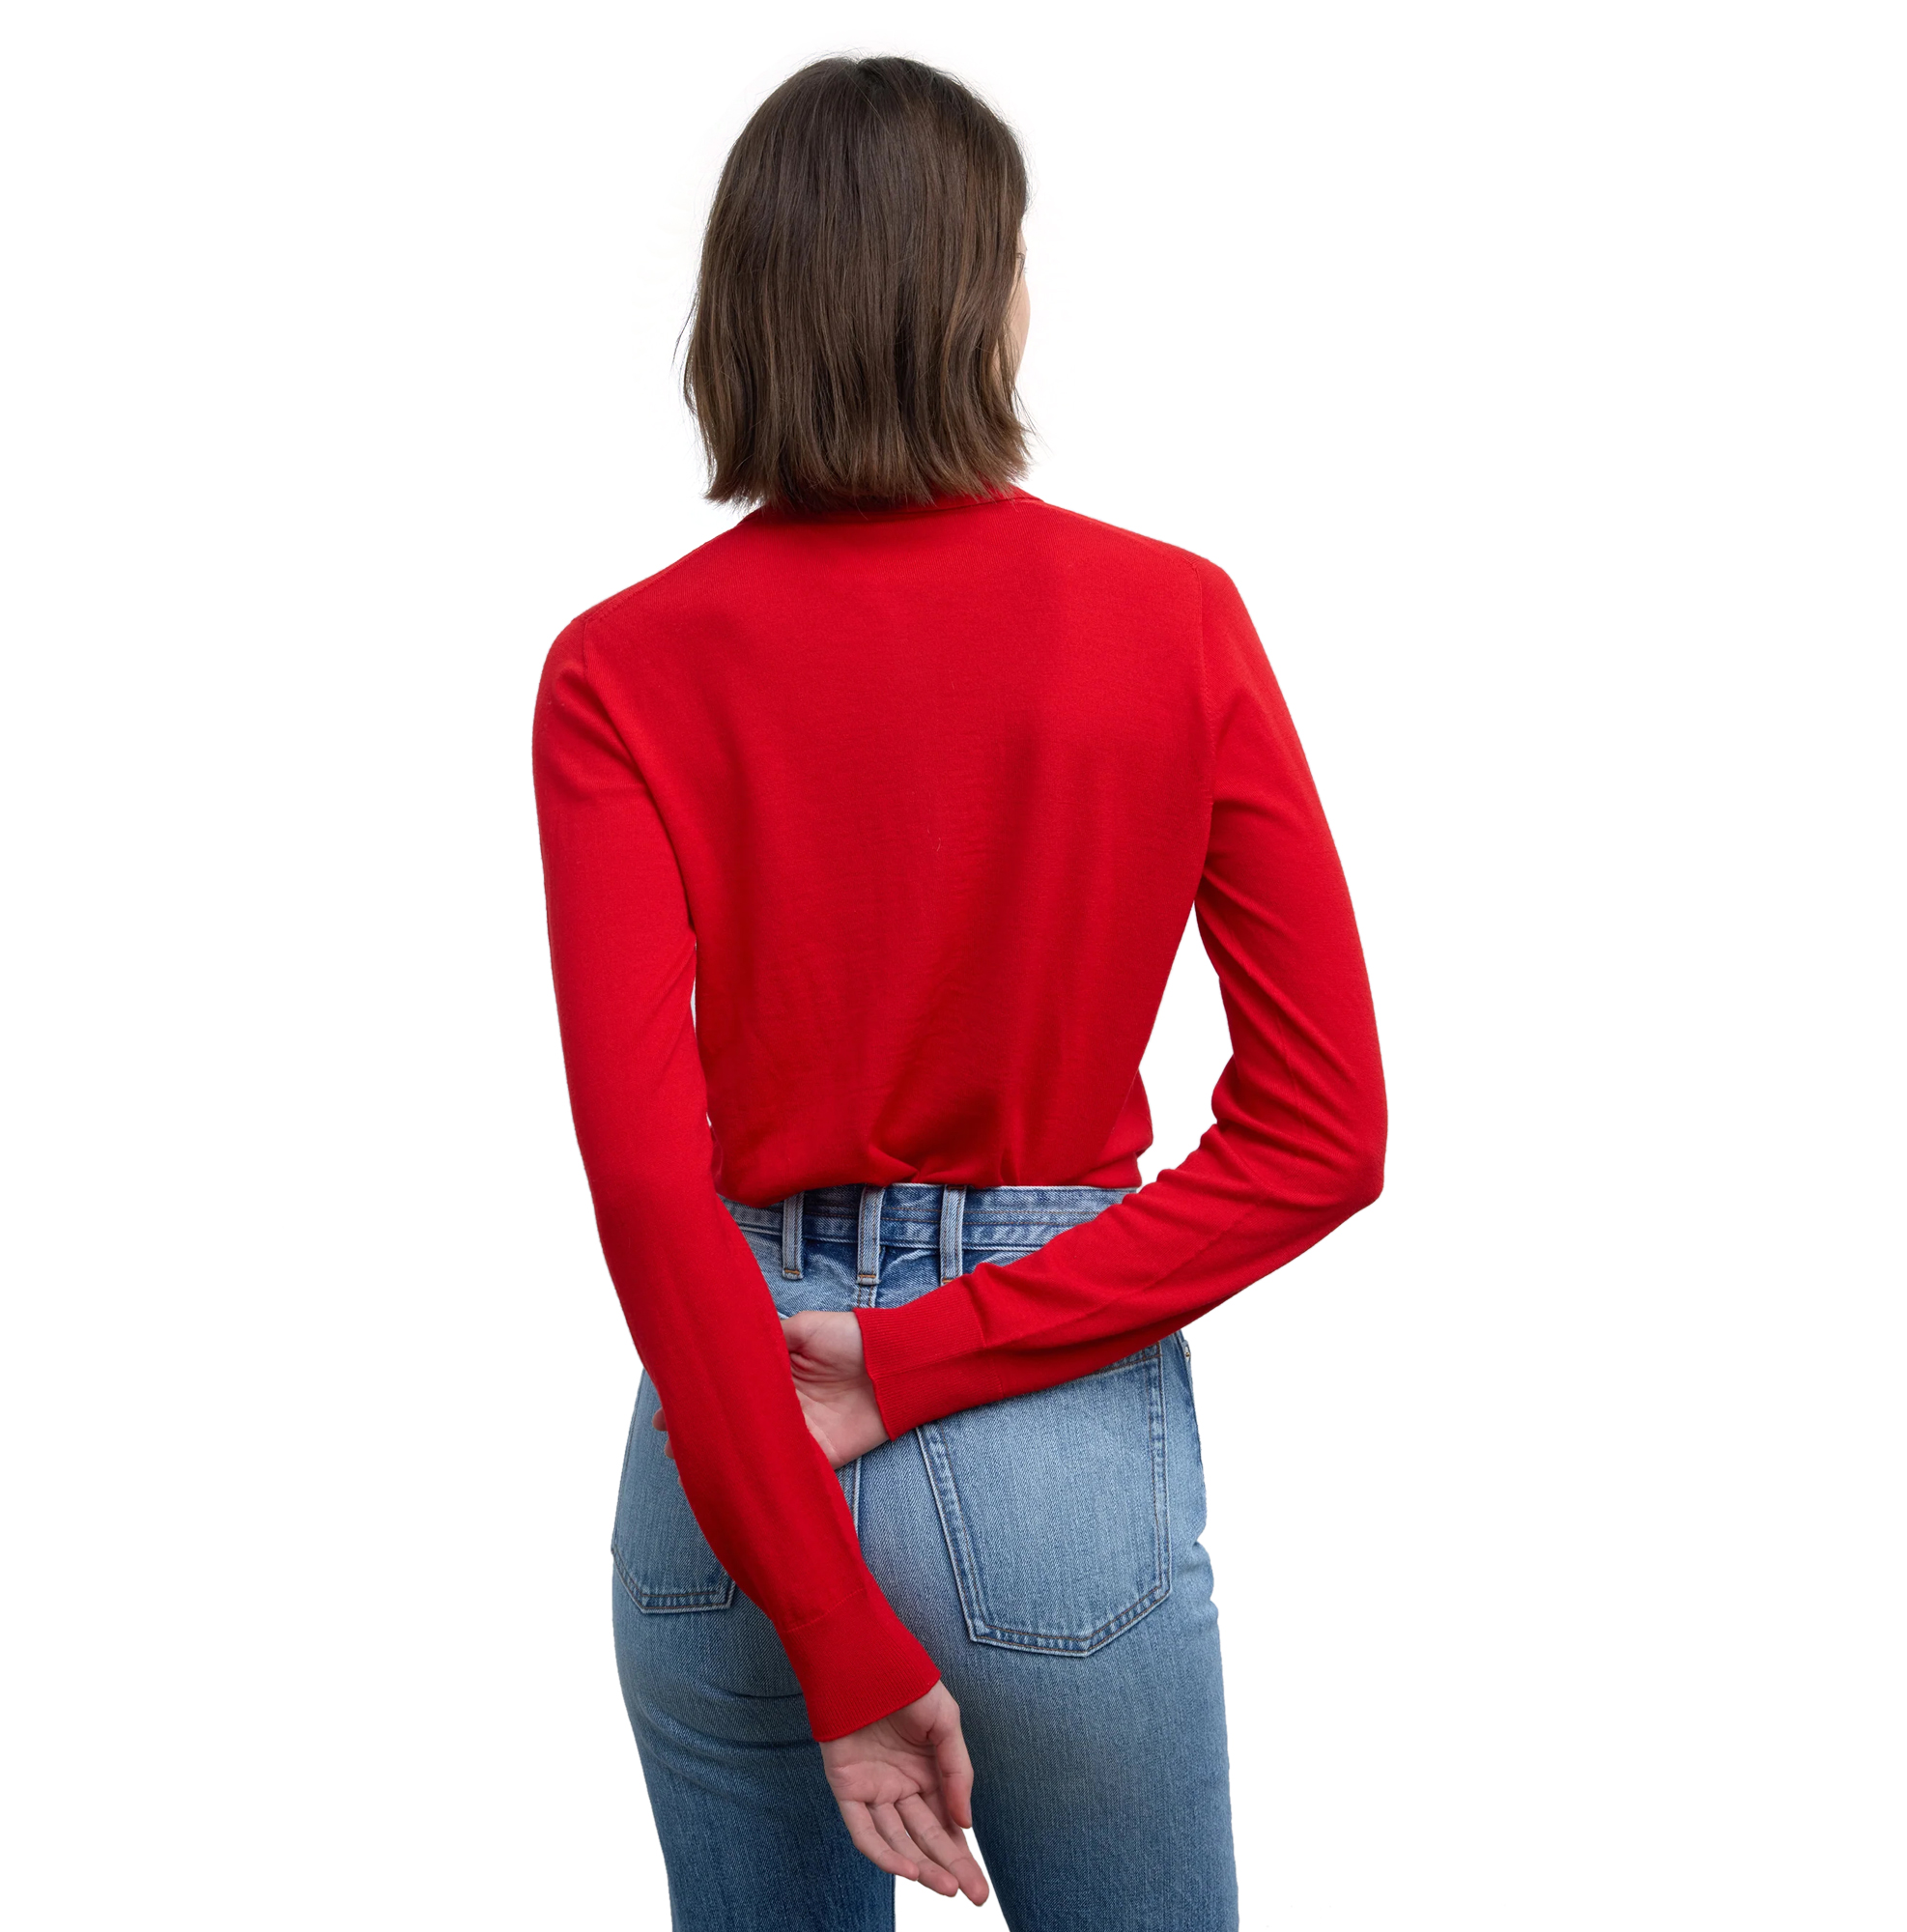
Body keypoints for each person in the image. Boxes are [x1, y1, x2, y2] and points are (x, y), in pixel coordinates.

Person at [531, 52, 1386, 1931]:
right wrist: (932, 1353)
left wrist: (832, 1630)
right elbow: (1325, 1137)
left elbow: (649, 1184)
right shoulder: (1172, 622)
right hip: (1045, 1432)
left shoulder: (620, 667)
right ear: (983, 296)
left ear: (745, 307)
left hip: (733, 1424)